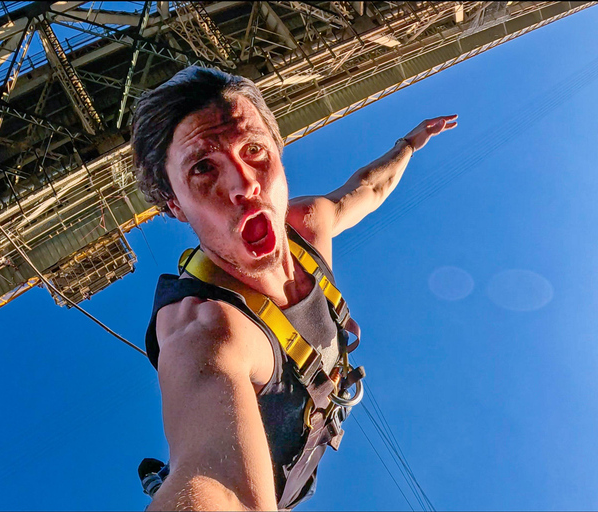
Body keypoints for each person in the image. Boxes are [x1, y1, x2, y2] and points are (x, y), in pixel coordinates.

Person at [131, 66, 456, 511]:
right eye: (204, 168)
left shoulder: (308, 225)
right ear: (175, 205)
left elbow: (370, 186)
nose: (244, 184)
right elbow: (218, 487)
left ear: (280, 153)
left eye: (254, 150)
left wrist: (409, 145)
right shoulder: (206, 328)